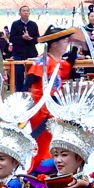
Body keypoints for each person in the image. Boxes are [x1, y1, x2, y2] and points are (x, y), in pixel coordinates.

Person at [25, 24, 77, 170]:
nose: (67, 44)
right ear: (54, 43)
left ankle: (50, 173)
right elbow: (30, 79)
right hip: (42, 109)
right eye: (65, 41)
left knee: (54, 145)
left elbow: (68, 66)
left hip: (54, 109)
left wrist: (75, 47)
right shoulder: (44, 60)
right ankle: (38, 173)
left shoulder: (57, 61)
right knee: (44, 146)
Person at [8, 5, 39, 89]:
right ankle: (19, 92)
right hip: (18, 53)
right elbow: (12, 39)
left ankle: (30, 91)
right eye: (23, 11)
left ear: (29, 13)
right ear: (19, 13)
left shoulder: (33, 24)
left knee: (33, 74)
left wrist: (30, 38)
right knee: (19, 74)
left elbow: (38, 39)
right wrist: (22, 37)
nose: (26, 12)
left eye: (27, 11)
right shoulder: (15, 24)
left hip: (31, 52)